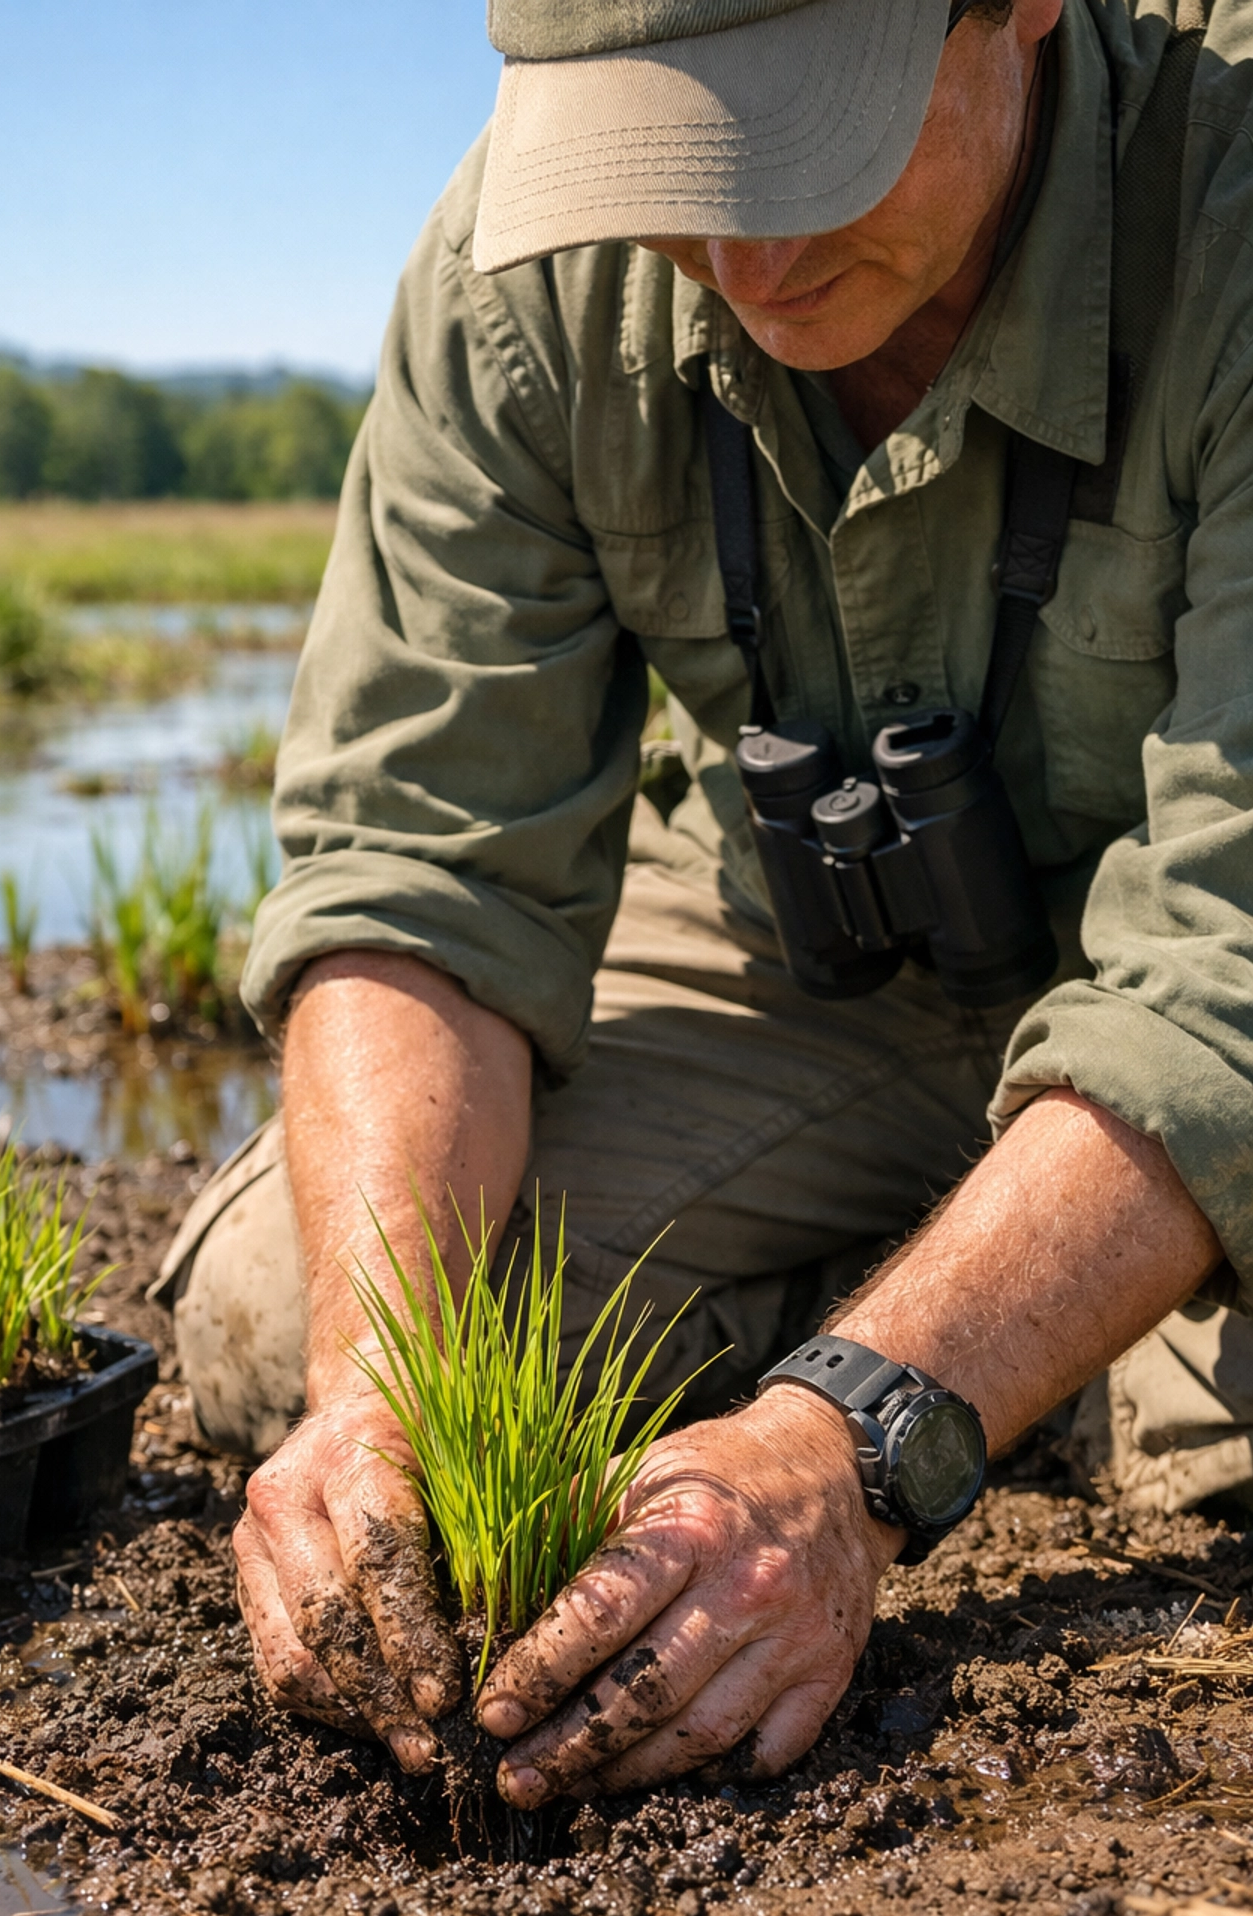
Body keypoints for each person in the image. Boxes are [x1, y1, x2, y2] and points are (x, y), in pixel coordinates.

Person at [154, 0, 1253, 1806]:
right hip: (821, 968)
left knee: (1219, 1479)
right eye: (668, 154)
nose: (744, 252)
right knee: (292, 1307)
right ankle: (959, 1303)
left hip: (1192, 978)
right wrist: (382, 1396)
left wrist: (859, 1438)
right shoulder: (524, 270)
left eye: (805, 142)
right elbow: (419, 862)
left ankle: (963, 1342)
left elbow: (1223, 967)